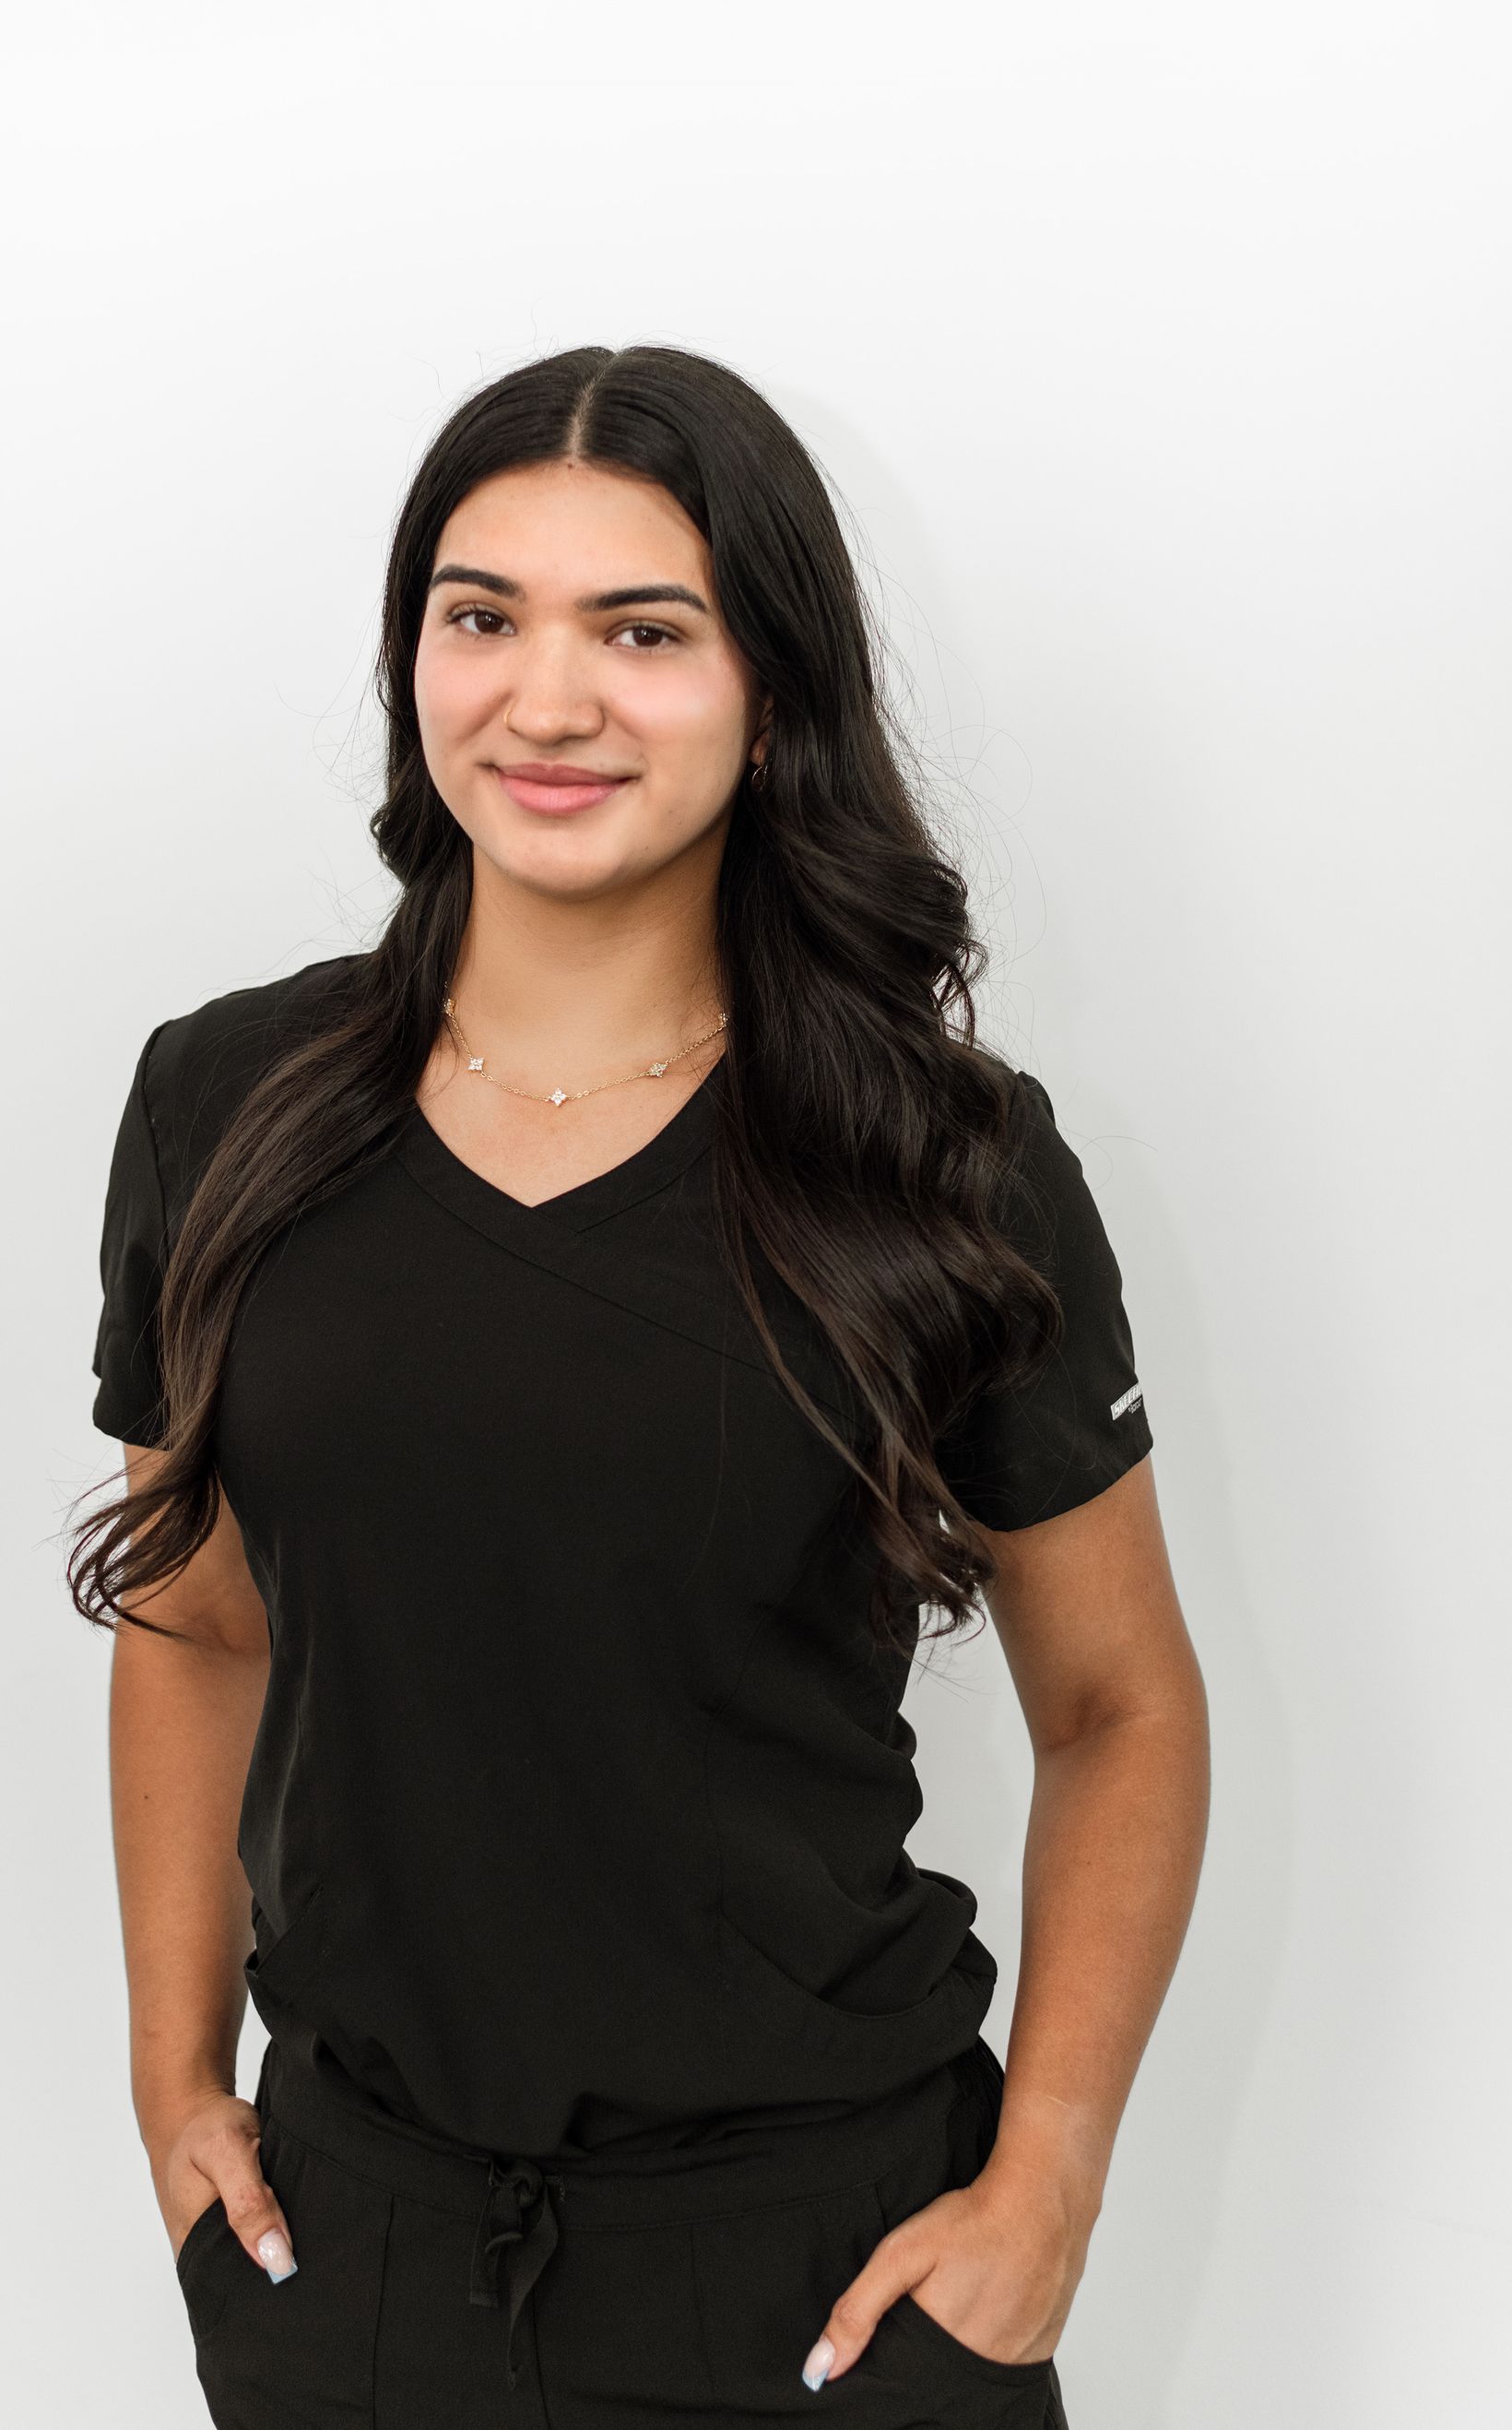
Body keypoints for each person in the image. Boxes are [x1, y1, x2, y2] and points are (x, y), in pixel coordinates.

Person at [69, 342, 1209, 2430]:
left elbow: (1122, 1704)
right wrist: (172, 2086)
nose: (551, 697)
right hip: (357, 2259)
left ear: (771, 685)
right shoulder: (225, 1099)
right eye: (481, 615)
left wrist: (1046, 2179)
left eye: (645, 630)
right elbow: (199, 1619)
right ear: (413, 656)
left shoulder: (942, 1160)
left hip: (829, 2271)